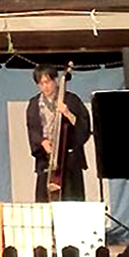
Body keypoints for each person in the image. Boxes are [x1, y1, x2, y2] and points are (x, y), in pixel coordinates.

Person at [26, 64, 90, 202]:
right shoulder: (34, 103)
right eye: (41, 83)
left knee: (72, 200)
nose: (45, 86)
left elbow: (84, 126)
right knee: (45, 202)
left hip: (69, 159)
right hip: (47, 159)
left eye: (48, 82)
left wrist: (68, 113)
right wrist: (42, 142)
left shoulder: (71, 100)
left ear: (55, 80)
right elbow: (33, 129)